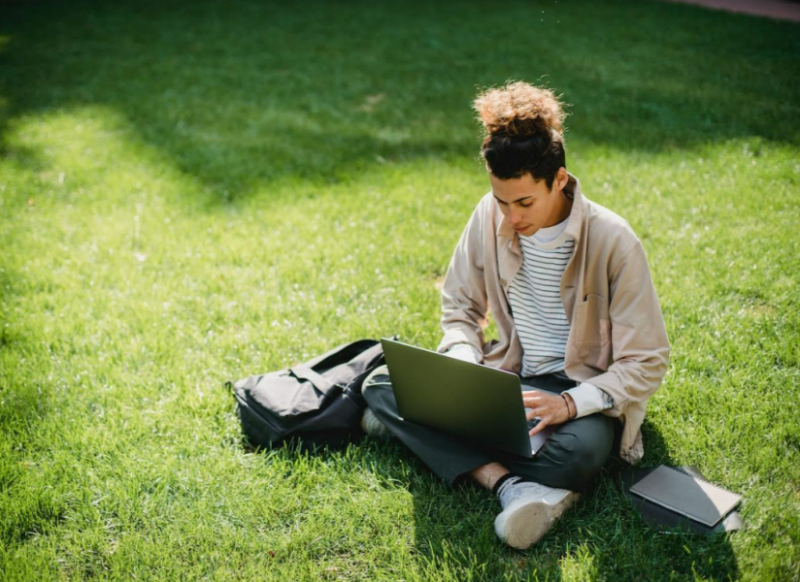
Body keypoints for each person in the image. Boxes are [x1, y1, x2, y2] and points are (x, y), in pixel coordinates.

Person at [360, 81, 670, 550]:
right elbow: (460, 306)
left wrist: (568, 405)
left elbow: (647, 361)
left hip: (579, 393)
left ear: (559, 180)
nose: (510, 217)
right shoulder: (489, 214)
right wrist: (464, 357)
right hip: (507, 378)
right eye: (501, 200)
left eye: (524, 202)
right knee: (381, 383)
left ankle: (426, 435)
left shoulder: (614, 241)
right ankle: (513, 487)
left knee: (578, 456)